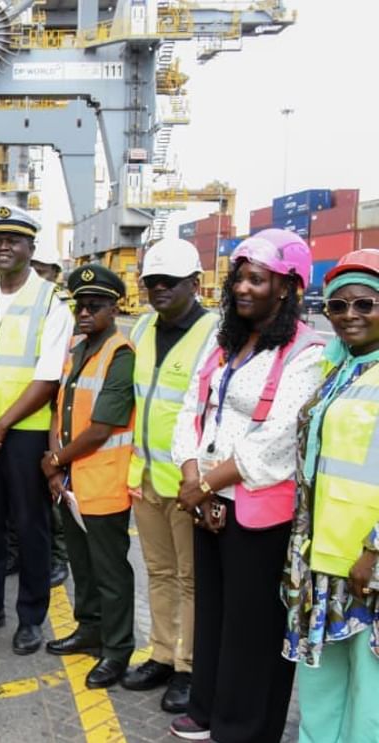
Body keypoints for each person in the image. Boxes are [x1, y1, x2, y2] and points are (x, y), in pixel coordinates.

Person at [168, 229, 324, 743]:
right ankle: (207, 706)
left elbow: (277, 437)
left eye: (257, 279)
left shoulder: (306, 350)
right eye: (239, 278)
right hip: (209, 497)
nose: (242, 288)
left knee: (251, 627)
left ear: (286, 287)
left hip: (258, 505)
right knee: (213, 611)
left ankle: (243, 728)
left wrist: (205, 485)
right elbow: (192, 407)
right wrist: (196, 479)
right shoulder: (225, 339)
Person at [0, 205, 73, 655]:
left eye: (14, 241)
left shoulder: (50, 303)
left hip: (23, 435)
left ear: (31, 248)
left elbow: (47, 377)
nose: (4, 247)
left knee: (31, 527)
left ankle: (30, 617)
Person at [281, 250, 379, 743]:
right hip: (322, 560)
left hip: (368, 570)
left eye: (365, 304)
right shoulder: (337, 370)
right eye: (337, 306)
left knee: (372, 692)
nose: (349, 316)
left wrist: (375, 551)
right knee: (320, 683)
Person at [121, 239, 217, 712]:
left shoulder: (216, 335)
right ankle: (161, 653)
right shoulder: (141, 328)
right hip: (146, 477)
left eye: (169, 283)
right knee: (158, 572)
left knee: (190, 578)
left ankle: (189, 666)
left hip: (190, 483)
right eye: (151, 282)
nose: (157, 290)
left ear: (194, 284)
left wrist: (202, 481)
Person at [40, 264, 137, 688]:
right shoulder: (77, 349)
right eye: (79, 304)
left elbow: (102, 427)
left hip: (102, 481)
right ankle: (89, 628)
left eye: (94, 305)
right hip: (70, 479)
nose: (84, 312)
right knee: (81, 563)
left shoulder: (120, 354)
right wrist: (54, 460)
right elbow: (58, 410)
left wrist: (56, 461)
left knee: (110, 573)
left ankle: (116, 650)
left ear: (114, 308)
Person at [29, 239, 71, 588]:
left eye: (42, 271)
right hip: (31, 416)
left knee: (54, 497)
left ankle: (60, 558)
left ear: (55, 274)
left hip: (55, 412)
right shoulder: (26, 307)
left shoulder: (65, 311)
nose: (36, 277)